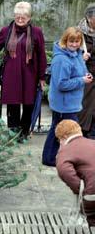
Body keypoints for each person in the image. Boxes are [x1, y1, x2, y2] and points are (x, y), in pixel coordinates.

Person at [0, 1, 47, 141]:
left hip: (30, 74)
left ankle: (24, 132)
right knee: (12, 104)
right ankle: (13, 132)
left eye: (24, 16)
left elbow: (42, 55)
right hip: (11, 74)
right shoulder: (6, 31)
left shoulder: (36, 32)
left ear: (29, 17)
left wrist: (42, 77)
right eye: (17, 16)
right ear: (14, 15)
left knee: (28, 104)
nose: (20, 19)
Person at [42, 27, 92, 166]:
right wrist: (82, 80)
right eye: (71, 41)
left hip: (71, 102)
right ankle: (51, 158)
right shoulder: (61, 60)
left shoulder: (77, 54)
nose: (75, 44)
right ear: (65, 41)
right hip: (63, 104)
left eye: (77, 41)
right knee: (65, 131)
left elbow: (82, 71)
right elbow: (61, 84)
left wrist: (87, 75)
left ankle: (50, 158)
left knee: (58, 129)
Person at [55, 119, 95, 227]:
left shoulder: (66, 149)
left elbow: (64, 170)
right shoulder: (93, 142)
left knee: (91, 222)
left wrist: (80, 189)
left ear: (63, 138)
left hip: (92, 195)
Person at [78, 3, 95, 139]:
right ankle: (83, 133)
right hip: (85, 73)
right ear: (89, 19)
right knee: (85, 105)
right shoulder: (78, 32)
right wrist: (80, 56)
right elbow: (65, 50)